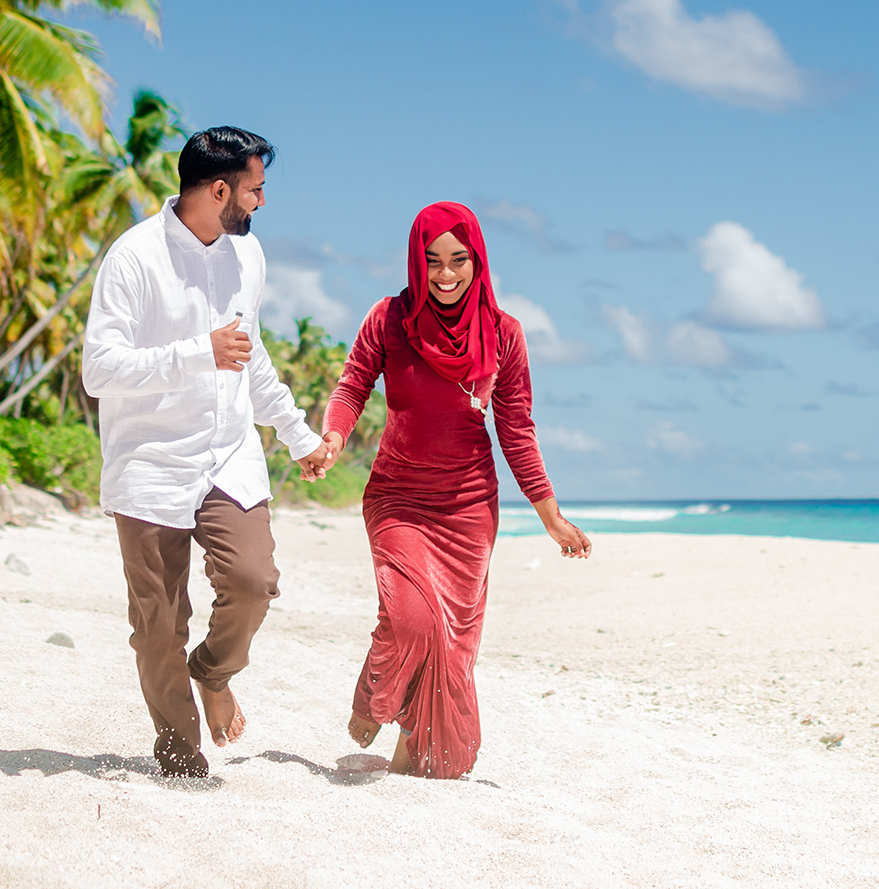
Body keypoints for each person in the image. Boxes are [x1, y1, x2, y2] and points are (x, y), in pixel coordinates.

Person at [310, 201, 590, 779]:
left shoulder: (505, 334)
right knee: (412, 620)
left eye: (458, 260)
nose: (444, 274)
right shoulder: (388, 318)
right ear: (416, 260)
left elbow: (516, 429)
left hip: (467, 507)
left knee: (452, 644)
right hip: (399, 497)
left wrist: (551, 518)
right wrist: (335, 435)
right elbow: (353, 382)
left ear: (477, 260)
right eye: (432, 260)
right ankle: (373, 693)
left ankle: (415, 753)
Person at [82, 127, 326, 779]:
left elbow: (253, 356)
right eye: (256, 189)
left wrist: (298, 436)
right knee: (159, 625)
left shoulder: (249, 259)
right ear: (219, 190)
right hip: (148, 465)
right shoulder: (132, 257)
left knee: (252, 582)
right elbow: (98, 371)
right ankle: (179, 752)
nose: (262, 202)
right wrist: (198, 353)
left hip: (226, 455)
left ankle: (213, 672)